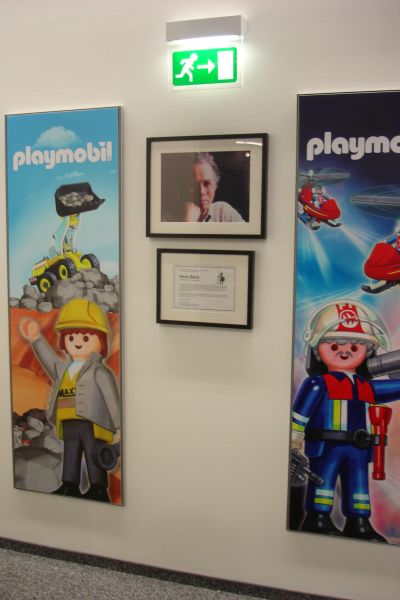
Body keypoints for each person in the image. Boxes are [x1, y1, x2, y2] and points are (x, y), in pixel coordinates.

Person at [291, 300, 400, 542]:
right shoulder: (318, 384)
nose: (345, 351)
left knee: (358, 485)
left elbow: (390, 389)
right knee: (324, 481)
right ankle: (317, 518)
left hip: (358, 448)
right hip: (326, 445)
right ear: (317, 349)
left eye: (355, 346)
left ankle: (358, 521)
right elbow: (300, 415)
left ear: (367, 351)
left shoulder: (364, 385)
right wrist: (294, 441)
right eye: (334, 345)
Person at [19, 298, 120, 502]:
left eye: (86, 337)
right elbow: (49, 362)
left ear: (100, 342)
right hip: (67, 420)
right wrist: (37, 339)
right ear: (64, 340)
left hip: (92, 422)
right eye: (71, 337)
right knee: (71, 453)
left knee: (93, 453)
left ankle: (98, 488)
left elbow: (111, 399)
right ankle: (70, 484)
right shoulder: (64, 369)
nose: (77, 342)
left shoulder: (99, 372)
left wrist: (118, 427)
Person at [184, 153, 244, 223]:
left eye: (207, 184)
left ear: (215, 185)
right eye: (194, 185)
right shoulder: (175, 214)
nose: (201, 191)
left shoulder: (223, 212)